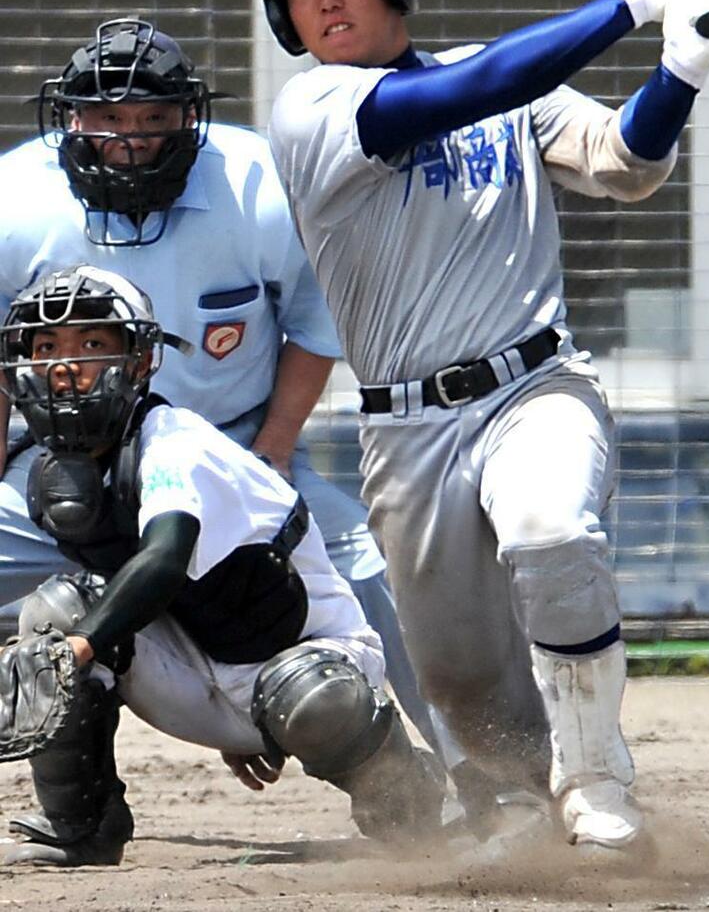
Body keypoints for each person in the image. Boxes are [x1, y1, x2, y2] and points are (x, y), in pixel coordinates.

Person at [255, 0, 709, 850]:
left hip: (533, 385)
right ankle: (520, 811)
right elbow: (459, 95)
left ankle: (597, 780)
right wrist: (631, 3)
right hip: (405, 431)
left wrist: (681, 65)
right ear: (287, 18)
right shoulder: (312, 108)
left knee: (550, 528)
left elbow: (625, 162)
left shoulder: (501, 81)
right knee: (471, 696)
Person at [0, 15, 444, 760]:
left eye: (153, 118)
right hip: (60, 465)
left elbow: (313, 325)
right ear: (70, 118)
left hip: (232, 458)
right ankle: (77, 810)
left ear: (187, 117)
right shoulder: (14, 197)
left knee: (368, 563)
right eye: (109, 118)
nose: (131, 137)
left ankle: (479, 769)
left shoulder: (259, 184)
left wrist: (275, 449)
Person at [0, 265, 446, 867]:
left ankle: (415, 810)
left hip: (308, 666)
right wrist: (71, 646)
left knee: (311, 697)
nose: (65, 365)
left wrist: (78, 651)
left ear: (139, 362)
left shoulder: (176, 443)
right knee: (55, 611)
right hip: (197, 669)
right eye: (46, 347)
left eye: (93, 344)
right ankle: (81, 827)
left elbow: (163, 561)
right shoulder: (55, 472)